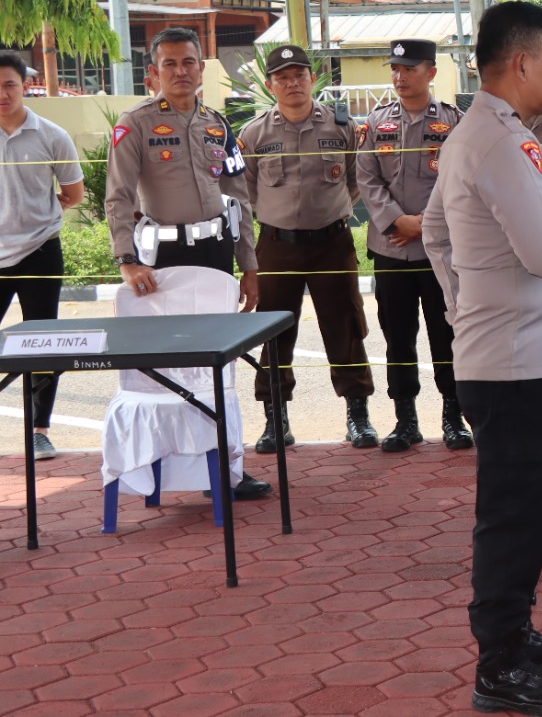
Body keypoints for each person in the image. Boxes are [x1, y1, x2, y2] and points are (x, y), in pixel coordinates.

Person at [423, 0, 542, 717]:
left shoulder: (487, 131)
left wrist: (464, 306)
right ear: (522, 62)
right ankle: (498, 665)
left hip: (514, 353)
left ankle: (517, 635)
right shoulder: (499, 142)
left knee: (523, 512)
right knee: (511, 517)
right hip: (515, 364)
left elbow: (436, 231)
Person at [105, 27, 270, 500]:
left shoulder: (218, 124)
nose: (181, 71)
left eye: (189, 62)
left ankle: (228, 469)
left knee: (220, 365)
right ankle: (164, 467)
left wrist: (249, 266)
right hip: (162, 260)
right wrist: (127, 260)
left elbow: (239, 200)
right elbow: (116, 198)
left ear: (202, 68)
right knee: (168, 370)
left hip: (216, 254)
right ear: (153, 72)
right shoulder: (134, 124)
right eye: (171, 64)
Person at [240, 45, 378, 452]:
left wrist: (330, 211)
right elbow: (246, 191)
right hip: (277, 245)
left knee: (346, 327)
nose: (292, 83)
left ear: (311, 79)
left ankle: (358, 415)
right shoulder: (254, 134)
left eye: (299, 75)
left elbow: (357, 179)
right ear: (270, 85)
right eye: (282, 77)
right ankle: (275, 419)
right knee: (273, 331)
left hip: (331, 243)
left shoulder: (341, 127)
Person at [355, 39, 472, 455]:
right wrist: (395, 221)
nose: (399, 77)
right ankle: (405, 420)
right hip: (391, 248)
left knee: (447, 334)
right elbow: (367, 179)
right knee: (398, 336)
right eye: (395, 69)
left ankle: (453, 417)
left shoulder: (455, 122)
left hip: (440, 249)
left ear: (431, 73)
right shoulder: (376, 123)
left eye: (409, 69)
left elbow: (459, 181)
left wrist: (425, 225)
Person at [0, 50, 84, 460]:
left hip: (40, 252)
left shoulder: (52, 134)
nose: (2, 93)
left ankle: (39, 429)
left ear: (23, 85)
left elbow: (73, 194)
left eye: (9, 85)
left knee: (42, 343)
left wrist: (36, 214)